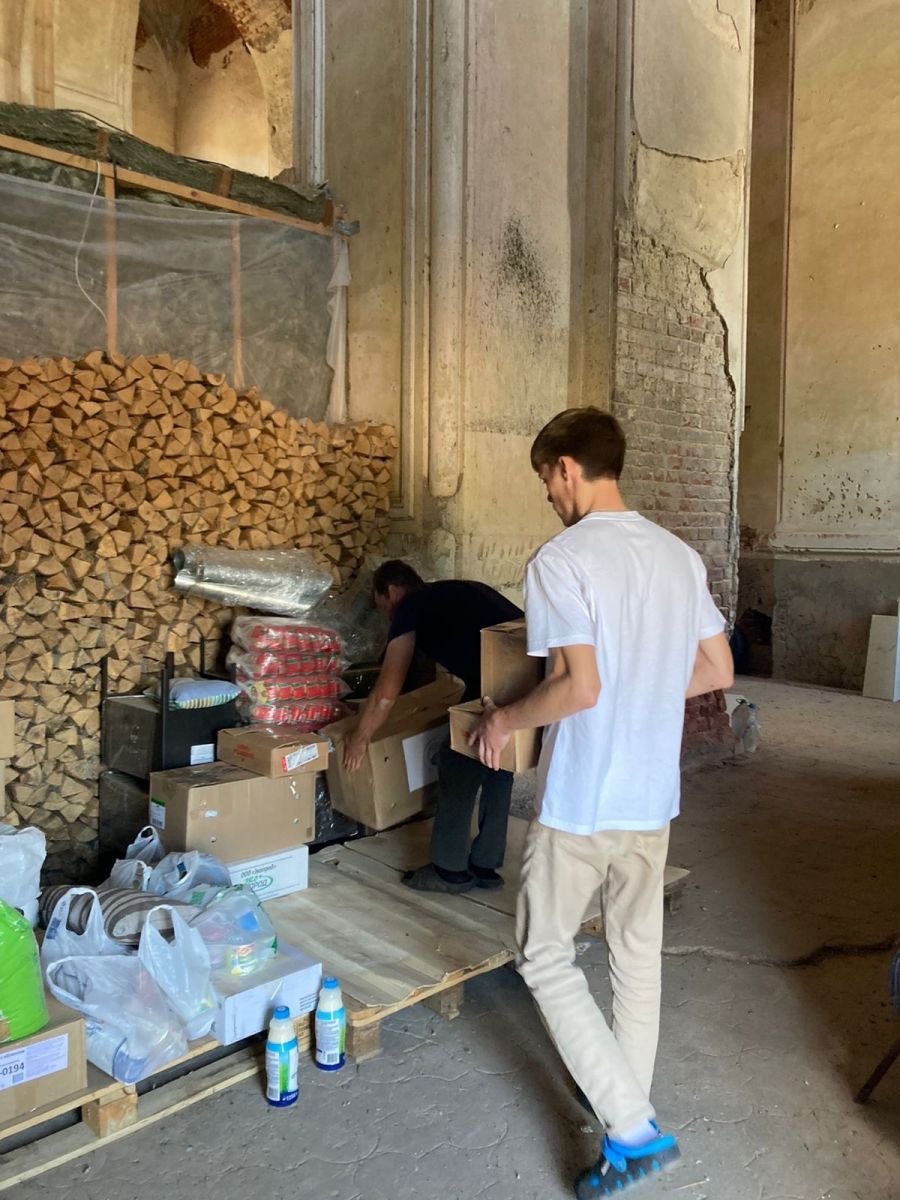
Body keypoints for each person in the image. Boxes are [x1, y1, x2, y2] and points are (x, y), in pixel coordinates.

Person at [471, 408, 734, 1197]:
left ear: (566, 468)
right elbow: (717, 669)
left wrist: (503, 720)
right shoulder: (679, 556)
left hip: (585, 800)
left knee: (544, 954)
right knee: (634, 957)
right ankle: (626, 1112)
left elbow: (577, 687)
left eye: (545, 480)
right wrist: (644, 694)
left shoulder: (562, 559)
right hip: (651, 800)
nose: (548, 497)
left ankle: (633, 1130)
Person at [343, 560, 523, 893]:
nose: (387, 617)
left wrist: (360, 737)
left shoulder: (410, 607)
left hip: (493, 686)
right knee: (499, 766)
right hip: (524, 680)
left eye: (383, 607)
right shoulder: (457, 590)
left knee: (455, 760)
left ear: (392, 591)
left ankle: (449, 871)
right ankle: (486, 866)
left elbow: (385, 694)